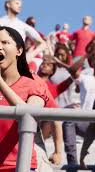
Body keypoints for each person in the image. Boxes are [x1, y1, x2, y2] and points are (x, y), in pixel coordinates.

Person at [0, 26, 48, 171]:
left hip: (19, 166)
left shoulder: (33, 84)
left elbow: (29, 114)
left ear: (19, 51)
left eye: (4, 42)